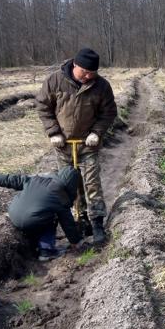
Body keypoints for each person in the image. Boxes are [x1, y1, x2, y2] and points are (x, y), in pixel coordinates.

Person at [35, 48, 117, 245]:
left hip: (88, 144)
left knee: (92, 183)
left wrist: (96, 132)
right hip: (63, 145)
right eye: (85, 72)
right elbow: (43, 107)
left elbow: (109, 112)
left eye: (92, 73)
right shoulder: (54, 81)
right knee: (69, 185)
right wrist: (54, 132)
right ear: (75, 66)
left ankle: (97, 222)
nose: (88, 76)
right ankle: (78, 219)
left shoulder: (101, 86)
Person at [0, 167, 83, 261]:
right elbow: (67, 223)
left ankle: (33, 244)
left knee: (42, 212)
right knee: (53, 217)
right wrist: (75, 242)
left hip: (13, 213)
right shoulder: (61, 197)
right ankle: (46, 251)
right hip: (30, 219)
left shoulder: (37, 179)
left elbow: (13, 179)